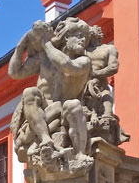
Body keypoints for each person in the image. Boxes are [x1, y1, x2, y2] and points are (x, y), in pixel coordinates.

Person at [8, 17, 91, 161]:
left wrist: (45, 42)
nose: (83, 40)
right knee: (29, 92)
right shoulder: (43, 58)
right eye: (78, 35)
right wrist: (22, 45)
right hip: (45, 111)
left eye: (84, 37)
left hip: (67, 112)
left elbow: (66, 65)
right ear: (66, 36)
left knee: (73, 105)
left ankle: (80, 154)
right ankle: (45, 139)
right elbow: (14, 72)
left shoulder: (84, 61)